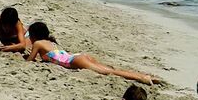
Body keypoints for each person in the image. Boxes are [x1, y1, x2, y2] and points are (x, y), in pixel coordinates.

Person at [25, 22, 162, 85]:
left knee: (110, 72)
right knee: (111, 70)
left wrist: (26, 55)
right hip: (76, 57)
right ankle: (143, 76)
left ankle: (142, 78)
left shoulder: (37, 44)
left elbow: (30, 60)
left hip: (74, 61)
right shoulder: (50, 42)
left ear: (34, 35)